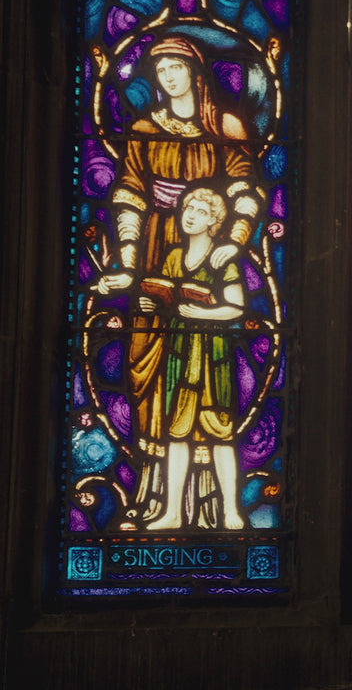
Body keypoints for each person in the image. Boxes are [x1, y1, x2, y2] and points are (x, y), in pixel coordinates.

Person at [94, 35, 262, 523]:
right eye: (160, 70)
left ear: (195, 72)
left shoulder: (226, 126)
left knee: (207, 373)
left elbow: (245, 187)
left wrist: (235, 239)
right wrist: (129, 262)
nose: (168, 77)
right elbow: (130, 194)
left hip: (210, 243)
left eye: (176, 68)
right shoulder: (146, 129)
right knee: (150, 364)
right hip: (157, 250)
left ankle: (211, 503)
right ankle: (158, 495)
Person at [138, 188, 246, 530]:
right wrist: (153, 304)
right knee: (177, 432)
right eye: (188, 209)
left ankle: (231, 511)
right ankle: (172, 512)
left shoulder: (221, 258)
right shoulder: (173, 256)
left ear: (214, 221)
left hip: (213, 354)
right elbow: (167, 296)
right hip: (179, 351)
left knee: (220, 432)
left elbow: (236, 307)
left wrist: (205, 313)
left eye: (200, 212)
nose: (190, 216)